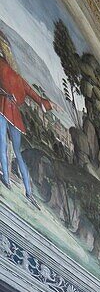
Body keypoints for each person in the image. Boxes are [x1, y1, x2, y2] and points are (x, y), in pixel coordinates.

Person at [0, 33, 52, 207]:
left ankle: (6, 180)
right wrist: (45, 103)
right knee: (17, 152)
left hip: (3, 107)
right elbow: (35, 96)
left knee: (2, 145)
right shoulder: (19, 77)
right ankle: (29, 192)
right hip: (16, 115)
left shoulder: (1, 65)